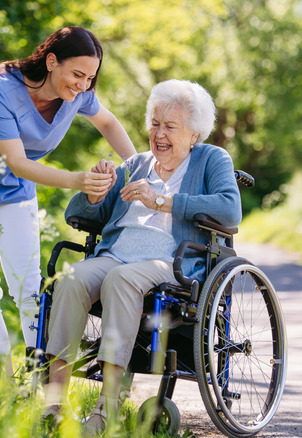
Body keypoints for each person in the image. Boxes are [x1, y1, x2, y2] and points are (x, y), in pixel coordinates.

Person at [0, 26, 136, 375]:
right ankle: (1, 383)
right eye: (77, 75)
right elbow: (18, 163)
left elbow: (109, 123)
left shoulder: (79, 94)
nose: (83, 85)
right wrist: (77, 180)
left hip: (12, 188)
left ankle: (42, 377)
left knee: (28, 285)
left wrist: (141, 168)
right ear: (51, 61)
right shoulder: (0, 89)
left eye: (90, 78)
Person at [43, 79, 242, 432]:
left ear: (193, 134)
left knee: (122, 279)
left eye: (170, 126)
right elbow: (82, 216)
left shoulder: (212, 159)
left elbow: (229, 210)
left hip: (171, 261)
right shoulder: (135, 164)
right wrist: (96, 191)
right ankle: (53, 404)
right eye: (154, 124)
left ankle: (107, 407)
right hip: (116, 254)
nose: (159, 134)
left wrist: (161, 201)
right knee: (71, 279)